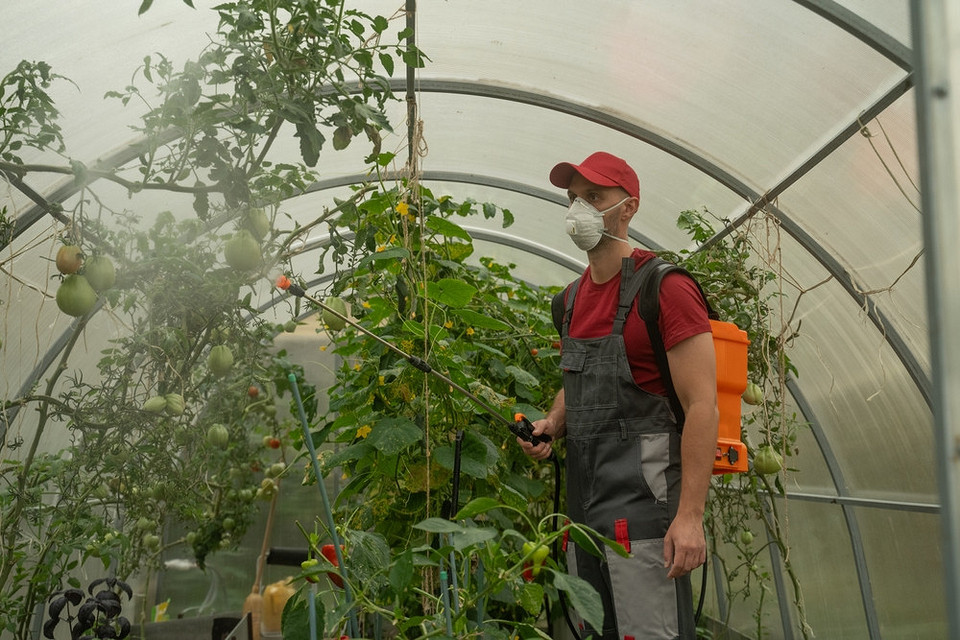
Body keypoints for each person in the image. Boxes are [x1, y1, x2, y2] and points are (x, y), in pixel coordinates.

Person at [519, 151, 719, 640]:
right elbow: (580, 381)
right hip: (584, 507)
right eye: (573, 199)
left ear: (628, 208)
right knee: (597, 631)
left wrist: (690, 518)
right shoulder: (567, 301)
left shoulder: (664, 289)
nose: (579, 210)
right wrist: (552, 423)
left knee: (650, 632)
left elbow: (702, 406)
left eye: (594, 197)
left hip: (644, 506)